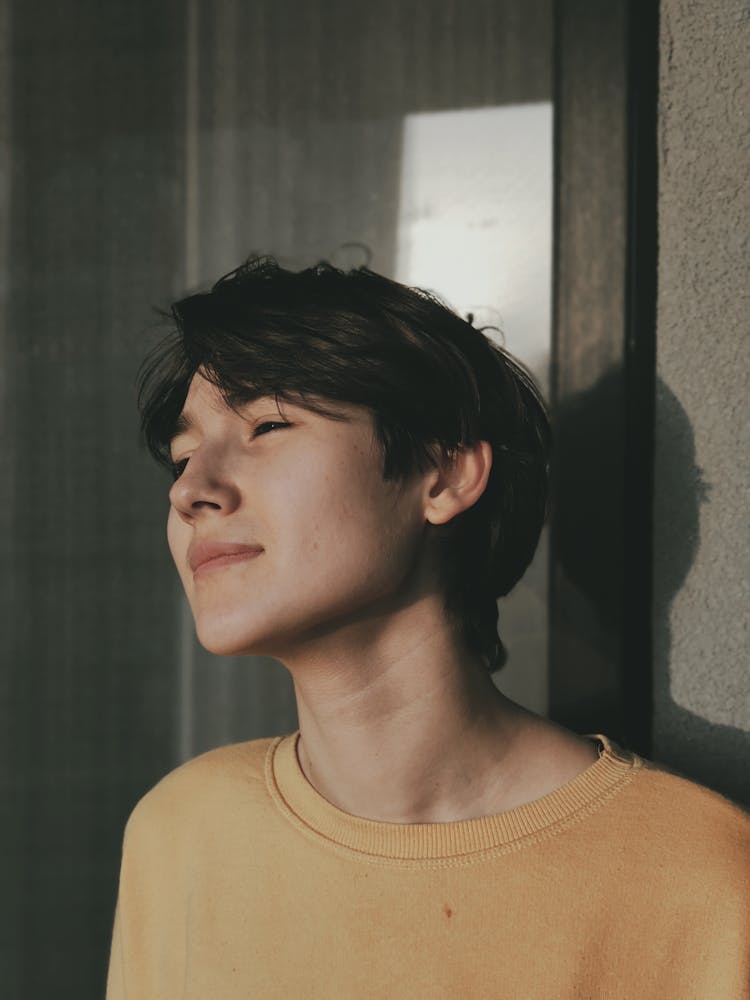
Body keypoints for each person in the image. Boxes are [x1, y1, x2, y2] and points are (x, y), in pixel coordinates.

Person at [107, 256, 749, 999]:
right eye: (183, 456)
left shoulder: (700, 880)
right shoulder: (181, 834)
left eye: (268, 423)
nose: (190, 490)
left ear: (443, 477)